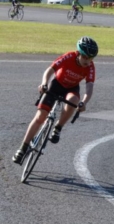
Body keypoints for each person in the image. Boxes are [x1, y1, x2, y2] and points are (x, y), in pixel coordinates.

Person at [12, 37, 98, 165]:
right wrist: (44, 83)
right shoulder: (68, 57)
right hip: (56, 85)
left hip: (71, 88)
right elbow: (50, 70)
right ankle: (22, 148)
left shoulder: (90, 67)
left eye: (90, 58)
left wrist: (84, 102)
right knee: (40, 117)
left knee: (74, 100)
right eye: (85, 57)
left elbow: (89, 87)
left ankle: (58, 128)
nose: (87, 61)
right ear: (78, 53)